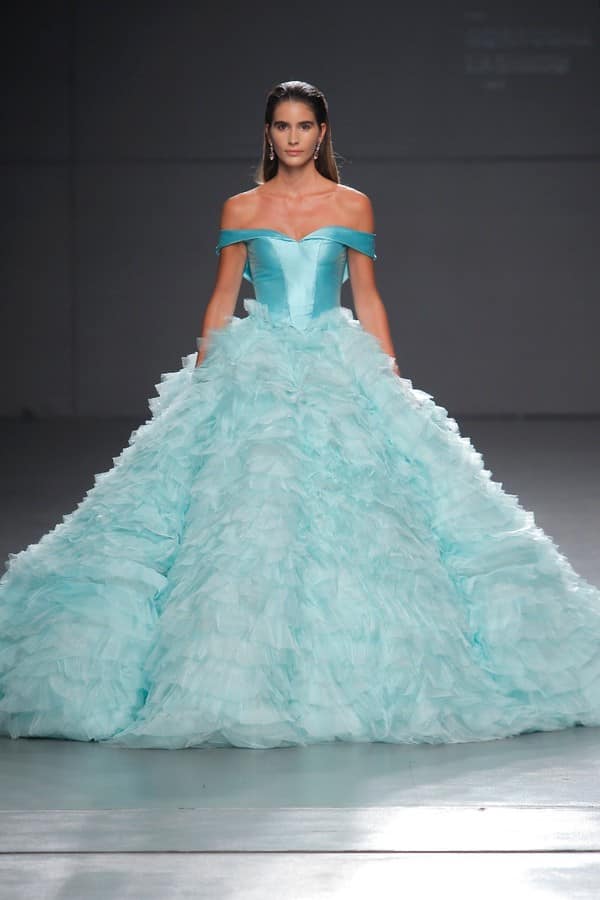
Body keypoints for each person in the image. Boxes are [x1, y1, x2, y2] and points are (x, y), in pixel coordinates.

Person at [1, 80, 600, 751]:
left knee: (374, 508)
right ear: (268, 133)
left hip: (334, 362)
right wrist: (204, 379)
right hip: (254, 365)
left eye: (304, 126)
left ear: (322, 134)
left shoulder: (352, 204)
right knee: (238, 507)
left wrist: (387, 378)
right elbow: (221, 298)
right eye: (282, 126)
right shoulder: (241, 207)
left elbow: (367, 297)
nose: (292, 138)